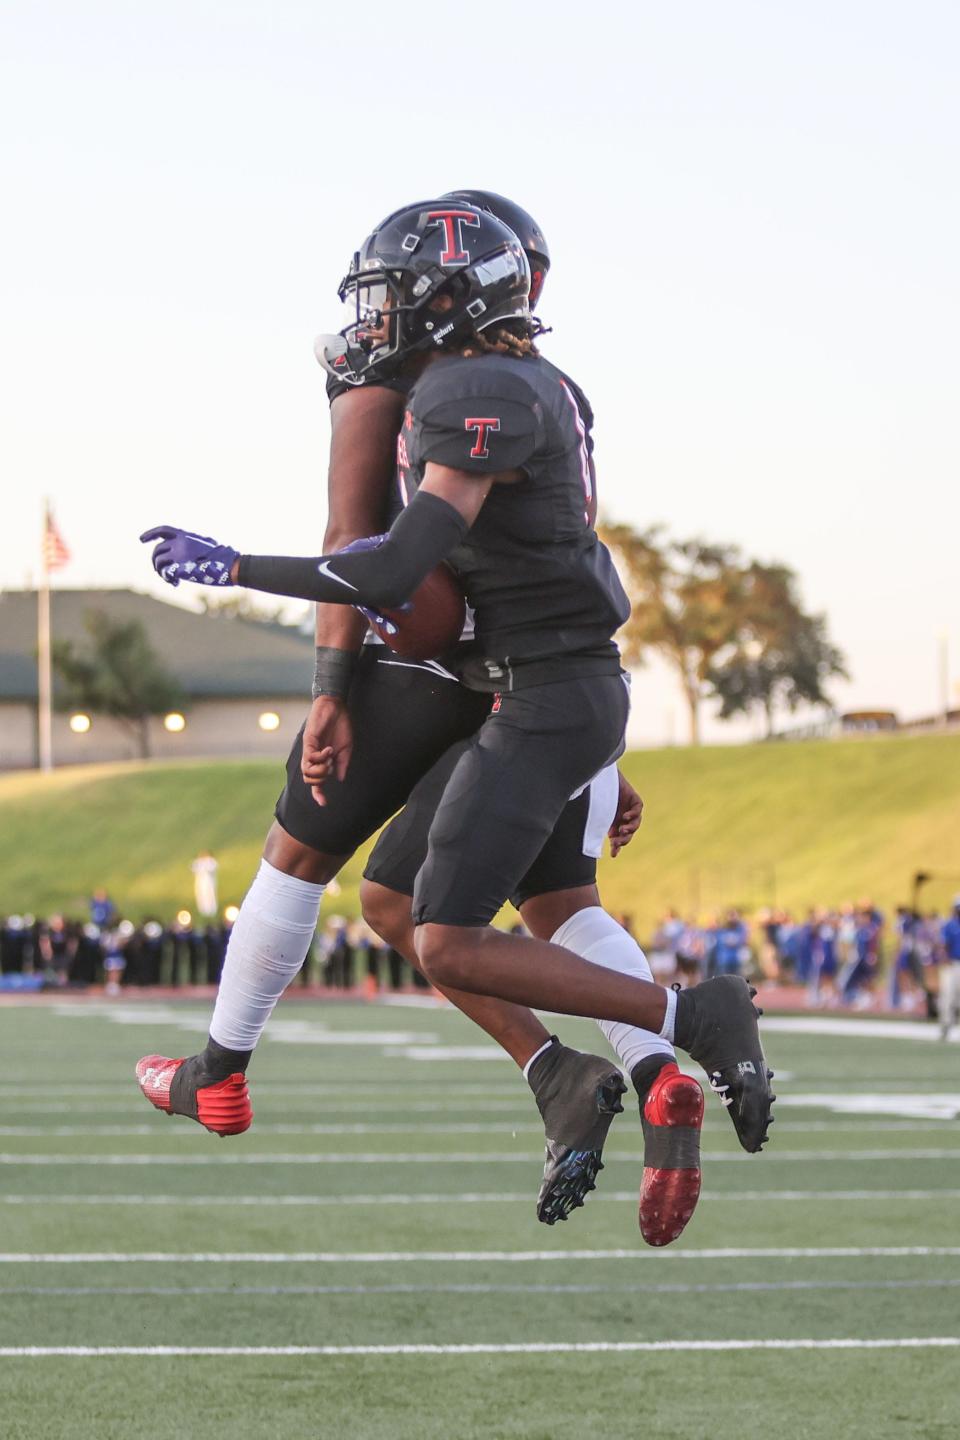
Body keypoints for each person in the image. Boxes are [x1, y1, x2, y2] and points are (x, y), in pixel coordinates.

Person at [139, 199, 774, 1198]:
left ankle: (221, 1069)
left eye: (393, 296)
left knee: (335, 870)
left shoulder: (455, 386)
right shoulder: (536, 383)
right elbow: (536, 570)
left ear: (448, 294)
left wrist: (290, 633)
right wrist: (600, 754)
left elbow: (373, 549)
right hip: (537, 681)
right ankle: (630, 1076)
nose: (376, 318)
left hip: (468, 678)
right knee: (476, 903)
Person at [939, 897, 960, 1040]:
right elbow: (944, 944)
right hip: (952, 964)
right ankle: (946, 1025)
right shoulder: (950, 924)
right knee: (947, 995)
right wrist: (945, 958)